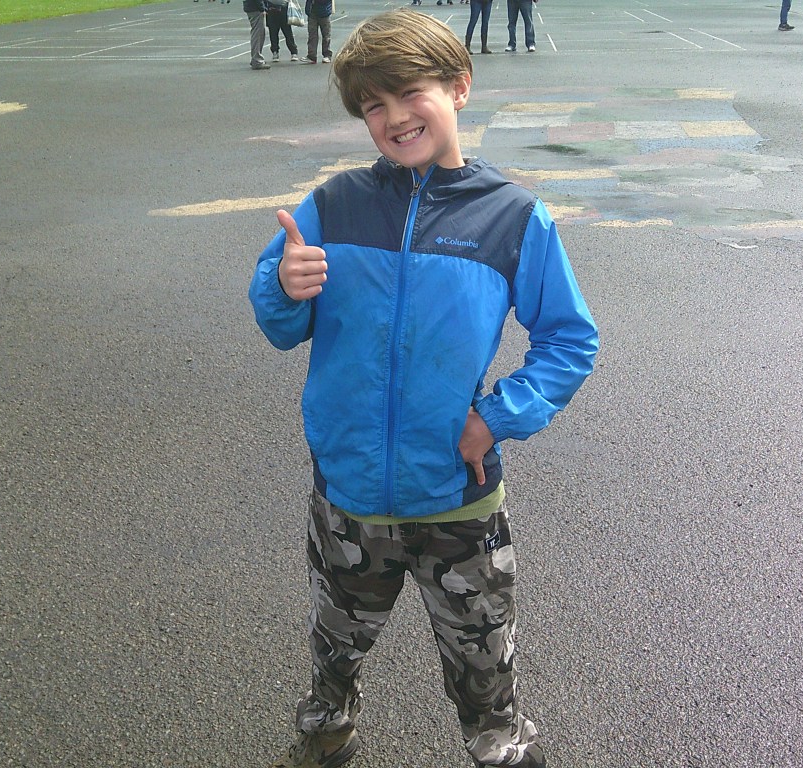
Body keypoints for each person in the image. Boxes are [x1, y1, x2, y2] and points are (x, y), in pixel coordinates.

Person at [249, 9, 598, 767]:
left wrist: (496, 417)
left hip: (457, 500)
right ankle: (327, 731)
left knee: (484, 659)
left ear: (458, 88)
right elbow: (278, 323)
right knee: (335, 644)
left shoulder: (513, 217)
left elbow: (570, 339)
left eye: (410, 92)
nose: (394, 117)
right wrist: (284, 286)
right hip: (348, 497)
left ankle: (498, 745)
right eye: (373, 104)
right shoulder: (334, 205)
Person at [244, 0, 271, 69]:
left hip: (252, 7)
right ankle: (257, 60)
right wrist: (262, 8)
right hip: (256, 9)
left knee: (257, 33)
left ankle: (255, 58)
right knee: (258, 35)